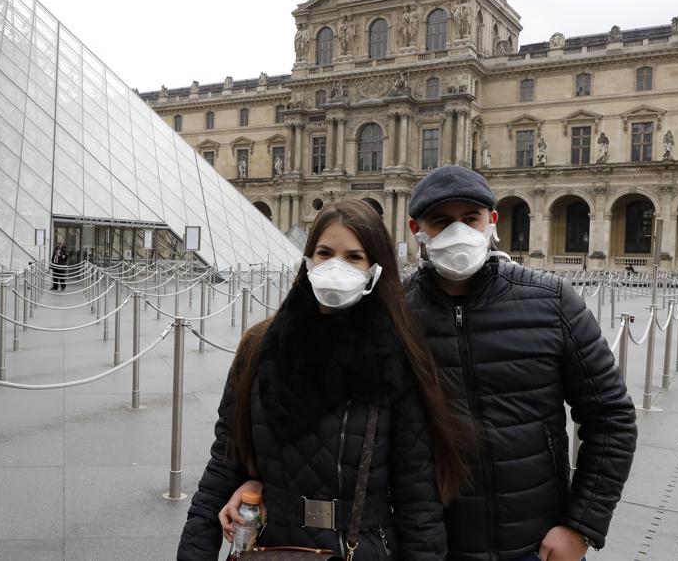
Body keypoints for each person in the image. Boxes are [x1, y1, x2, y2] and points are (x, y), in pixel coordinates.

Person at [178, 199, 471, 560]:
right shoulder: (260, 347)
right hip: (273, 546)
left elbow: (418, 499)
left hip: (360, 546)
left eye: (353, 257)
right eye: (324, 253)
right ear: (307, 261)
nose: (336, 266)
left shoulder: (398, 357)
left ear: (375, 269)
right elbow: (224, 464)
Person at [403, 166, 637, 560]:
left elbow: (612, 417)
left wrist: (581, 526)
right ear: (417, 229)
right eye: (442, 222)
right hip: (433, 544)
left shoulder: (551, 300)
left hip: (536, 542)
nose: (457, 232)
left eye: (470, 219)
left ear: (492, 221)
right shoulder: (397, 311)